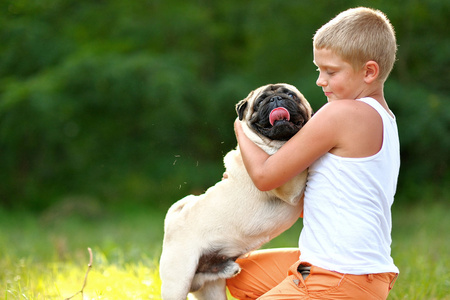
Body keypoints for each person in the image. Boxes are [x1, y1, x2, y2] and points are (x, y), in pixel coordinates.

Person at [226, 7, 400, 300]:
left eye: (331, 71)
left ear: (369, 71)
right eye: (319, 69)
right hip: (350, 269)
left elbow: (266, 176)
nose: (321, 80)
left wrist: (240, 127)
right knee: (236, 276)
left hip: (340, 275)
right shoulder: (384, 118)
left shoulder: (342, 113)